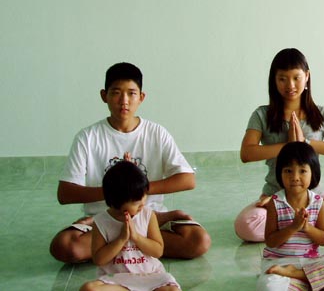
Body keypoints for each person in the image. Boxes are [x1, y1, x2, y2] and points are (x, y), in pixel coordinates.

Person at [50, 62, 211, 263]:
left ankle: (118, 245)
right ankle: (133, 244)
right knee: (64, 246)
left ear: (141, 97)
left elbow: (188, 180)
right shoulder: (88, 137)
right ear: (104, 96)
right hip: (104, 220)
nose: (124, 101)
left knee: (199, 241)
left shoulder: (156, 133)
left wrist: (137, 192)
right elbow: (65, 193)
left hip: (149, 218)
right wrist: (116, 193)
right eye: (116, 93)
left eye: (131, 93)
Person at [236, 48, 324, 242]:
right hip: (275, 198)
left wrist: (304, 143)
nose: (290, 85)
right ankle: (305, 226)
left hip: (313, 198)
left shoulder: (321, 114)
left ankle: (292, 226)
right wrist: (289, 146)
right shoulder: (262, 115)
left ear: (307, 76)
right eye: (282, 79)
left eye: (296, 78)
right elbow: (247, 153)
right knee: (246, 225)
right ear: (274, 80)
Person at [258, 141, 324, 291]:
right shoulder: (274, 202)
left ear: (313, 173)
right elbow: (270, 242)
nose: (295, 177)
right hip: (279, 262)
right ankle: (316, 284)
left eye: (302, 171)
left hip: (311, 261)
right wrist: (293, 227)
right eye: (288, 171)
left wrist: (307, 227)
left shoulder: (318, 202)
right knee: (268, 286)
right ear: (279, 173)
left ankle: (297, 277)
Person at [79, 160, 180, 291]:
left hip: (149, 277)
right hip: (117, 281)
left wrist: (136, 237)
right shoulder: (101, 221)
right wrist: (121, 239)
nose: (143, 203)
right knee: (89, 289)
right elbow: (99, 259)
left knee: (172, 290)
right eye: (136, 202)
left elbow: (158, 251)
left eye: (144, 196)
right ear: (117, 201)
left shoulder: (147, 215)